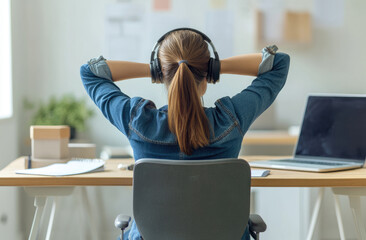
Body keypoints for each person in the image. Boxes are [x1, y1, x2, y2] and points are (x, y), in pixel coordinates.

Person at [80, 28, 290, 240]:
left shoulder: (138, 121)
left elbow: (89, 72)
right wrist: (215, 66)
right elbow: (279, 63)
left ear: (163, 77)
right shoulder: (230, 119)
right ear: (207, 78)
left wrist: (156, 68)